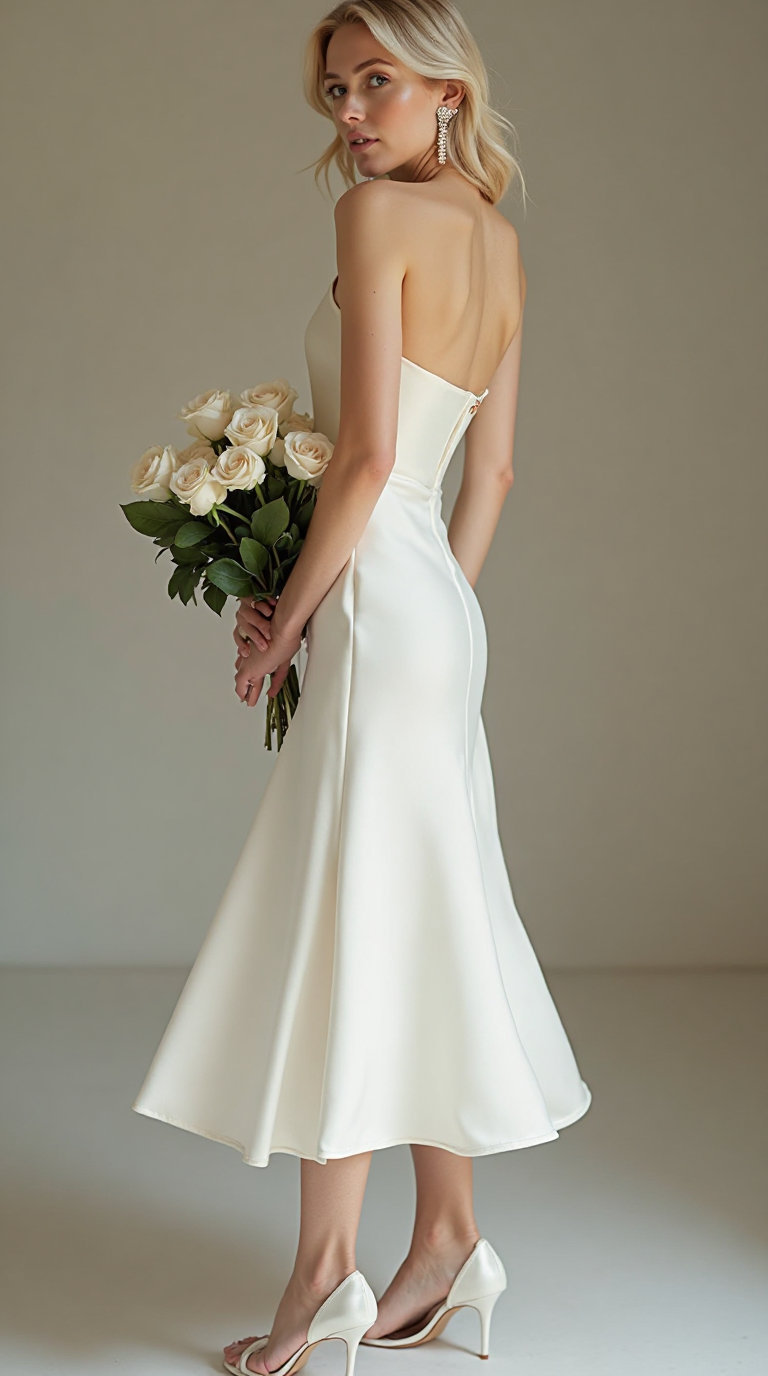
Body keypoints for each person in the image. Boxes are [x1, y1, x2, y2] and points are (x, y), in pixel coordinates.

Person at [131, 3, 593, 1373]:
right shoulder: (500, 243)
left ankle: (326, 1277)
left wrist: (291, 626)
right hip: (436, 609)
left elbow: (366, 457)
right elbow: (489, 471)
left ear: (449, 87)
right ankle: (447, 1245)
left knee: (353, 920)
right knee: (420, 910)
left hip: (382, 607)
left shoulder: (373, 216)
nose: (348, 113)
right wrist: (430, 604)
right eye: (335, 89)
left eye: (375, 81)